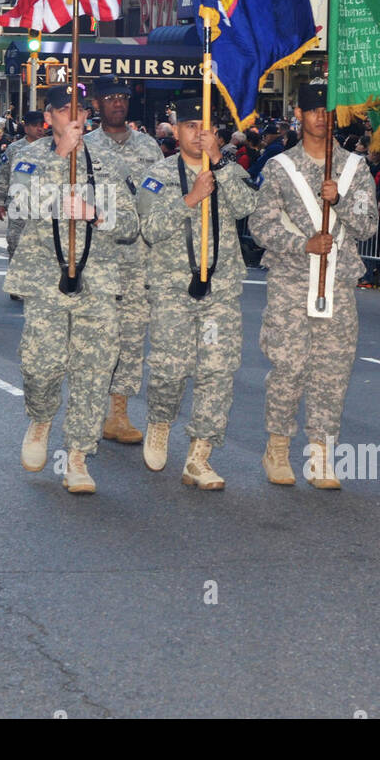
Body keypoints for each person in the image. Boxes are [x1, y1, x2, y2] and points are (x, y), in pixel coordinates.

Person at [8, 85, 138, 494]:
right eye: (66, 110)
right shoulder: (29, 157)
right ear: (49, 119)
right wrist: (62, 156)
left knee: (94, 372)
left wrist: (98, 215)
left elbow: (133, 225)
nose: (76, 116)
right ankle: (41, 417)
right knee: (40, 366)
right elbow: (19, 206)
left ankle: (79, 457)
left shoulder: (107, 161)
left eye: (81, 109)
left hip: (96, 282)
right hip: (45, 279)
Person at [249, 83, 378, 487]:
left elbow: (368, 225)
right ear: (299, 115)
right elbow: (260, 226)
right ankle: (278, 449)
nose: (321, 117)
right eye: (313, 110)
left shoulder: (355, 168)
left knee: (332, 372)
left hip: (337, 282)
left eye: (327, 111)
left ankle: (321, 455)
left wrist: (338, 200)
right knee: (289, 367)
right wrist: (301, 244)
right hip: (291, 281)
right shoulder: (279, 167)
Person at [137, 97, 257, 489]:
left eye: (204, 127)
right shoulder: (158, 175)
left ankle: (199, 456)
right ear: (176, 130)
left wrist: (220, 166)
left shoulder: (227, 170)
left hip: (219, 291)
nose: (197, 133)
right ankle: (160, 420)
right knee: (170, 370)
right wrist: (190, 200)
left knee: (217, 372)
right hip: (173, 289)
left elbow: (246, 209)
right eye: (190, 126)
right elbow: (150, 229)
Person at [83, 78, 164, 444]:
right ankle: (90, 408)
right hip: (97, 260)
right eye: (110, 98)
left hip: (138, 261)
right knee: (96, 337)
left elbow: (161, 199)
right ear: (97, 104)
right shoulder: (83, 147)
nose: (118, 103)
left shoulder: (150, 148)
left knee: (131, 338)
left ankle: (119, 412)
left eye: (123, 98)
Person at [0, 109, 47, 276]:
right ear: (26, 127)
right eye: (35, 125)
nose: (40, 129)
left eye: (42, 125)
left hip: (44, 206)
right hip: (19, 206)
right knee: (16, 243)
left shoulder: (51, 147)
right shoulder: (14, 149)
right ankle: (16, 281)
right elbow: (2, 175)